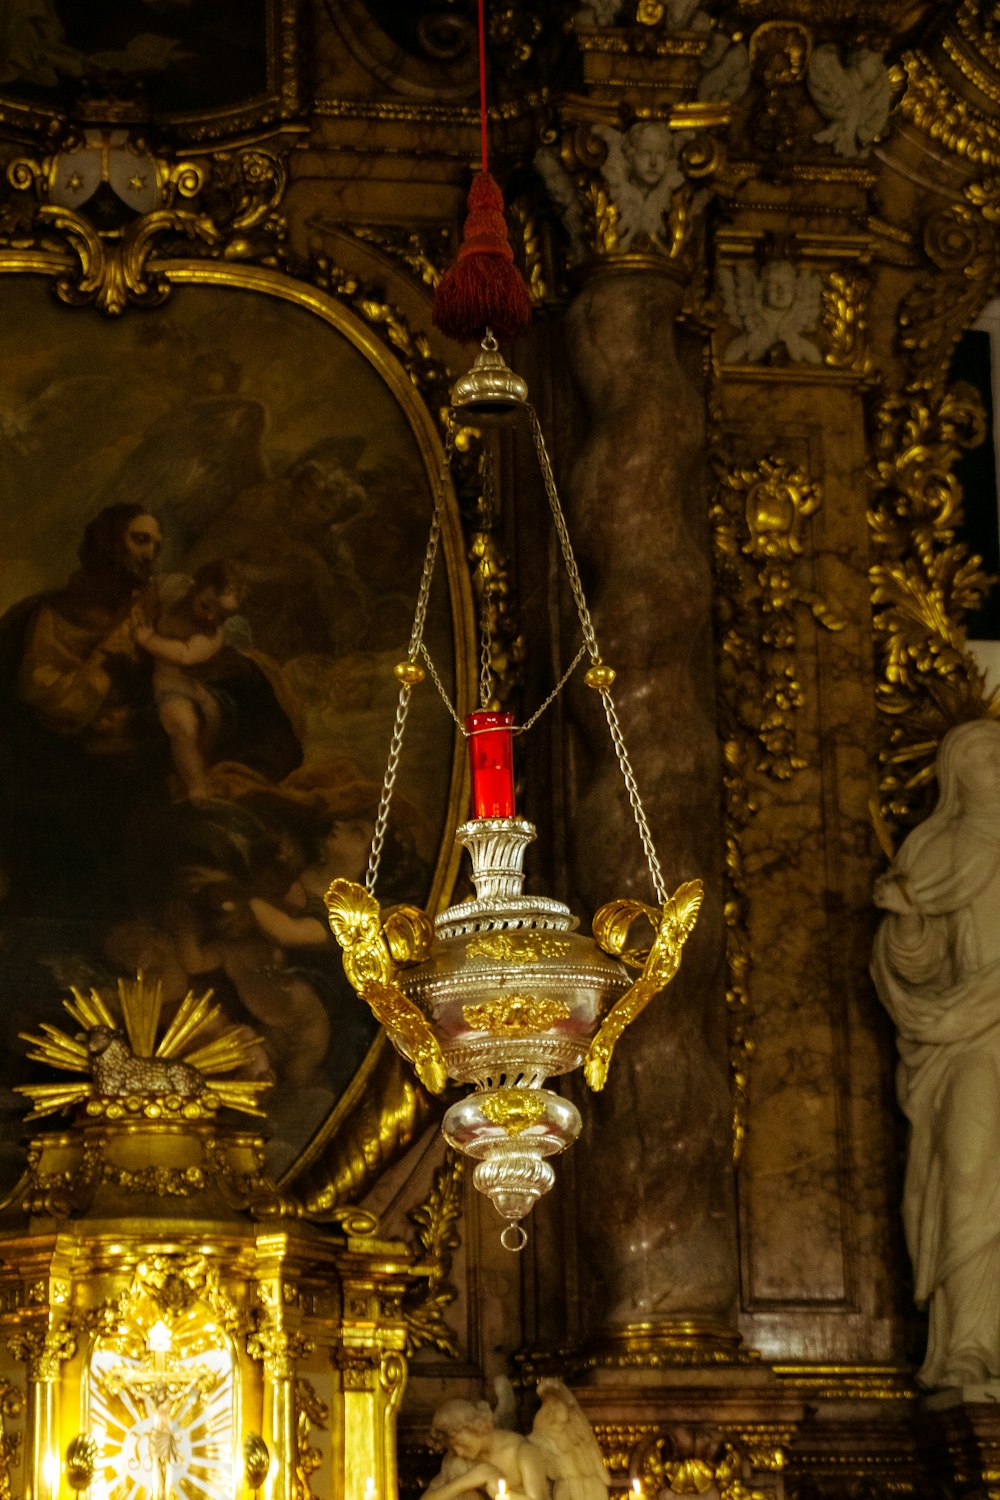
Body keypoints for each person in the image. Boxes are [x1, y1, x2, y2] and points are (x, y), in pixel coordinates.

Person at [871, 717, 1000, 1390]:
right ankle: (969, 1346)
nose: (999, 763)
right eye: (983, 754)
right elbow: (912, 970)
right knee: (970, 1172)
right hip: (968, 1040)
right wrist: (909, 921)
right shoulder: (936, 847)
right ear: (954, 774)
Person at [14, 502, 162, 751]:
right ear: (109, 541)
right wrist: (102, 661)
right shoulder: (58, 610)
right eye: (140, 540)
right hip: (62, 748)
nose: (150, 554)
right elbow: (39, 694)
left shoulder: (144, 602)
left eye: (156, 546)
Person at [135, 562, 244, 801]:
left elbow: (185, 655)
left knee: (190, 728)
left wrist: (149, 640)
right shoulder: (176, 588)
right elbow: (155, 584)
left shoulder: (211, 635)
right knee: (185, 729)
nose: (211, 617)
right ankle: (191, 781)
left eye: (222, 616)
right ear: (193, 589)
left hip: (181, 686)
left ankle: (196, 788)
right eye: (206, 606)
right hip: (160, 679)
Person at [421, 1398, 549, 1500]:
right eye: (452, 1448)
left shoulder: (522, 1452)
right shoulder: (457, 1458)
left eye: (459, 1442)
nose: (458, 1452)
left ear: (476, 1426)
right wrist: (469, 1479)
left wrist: (498, 1492)